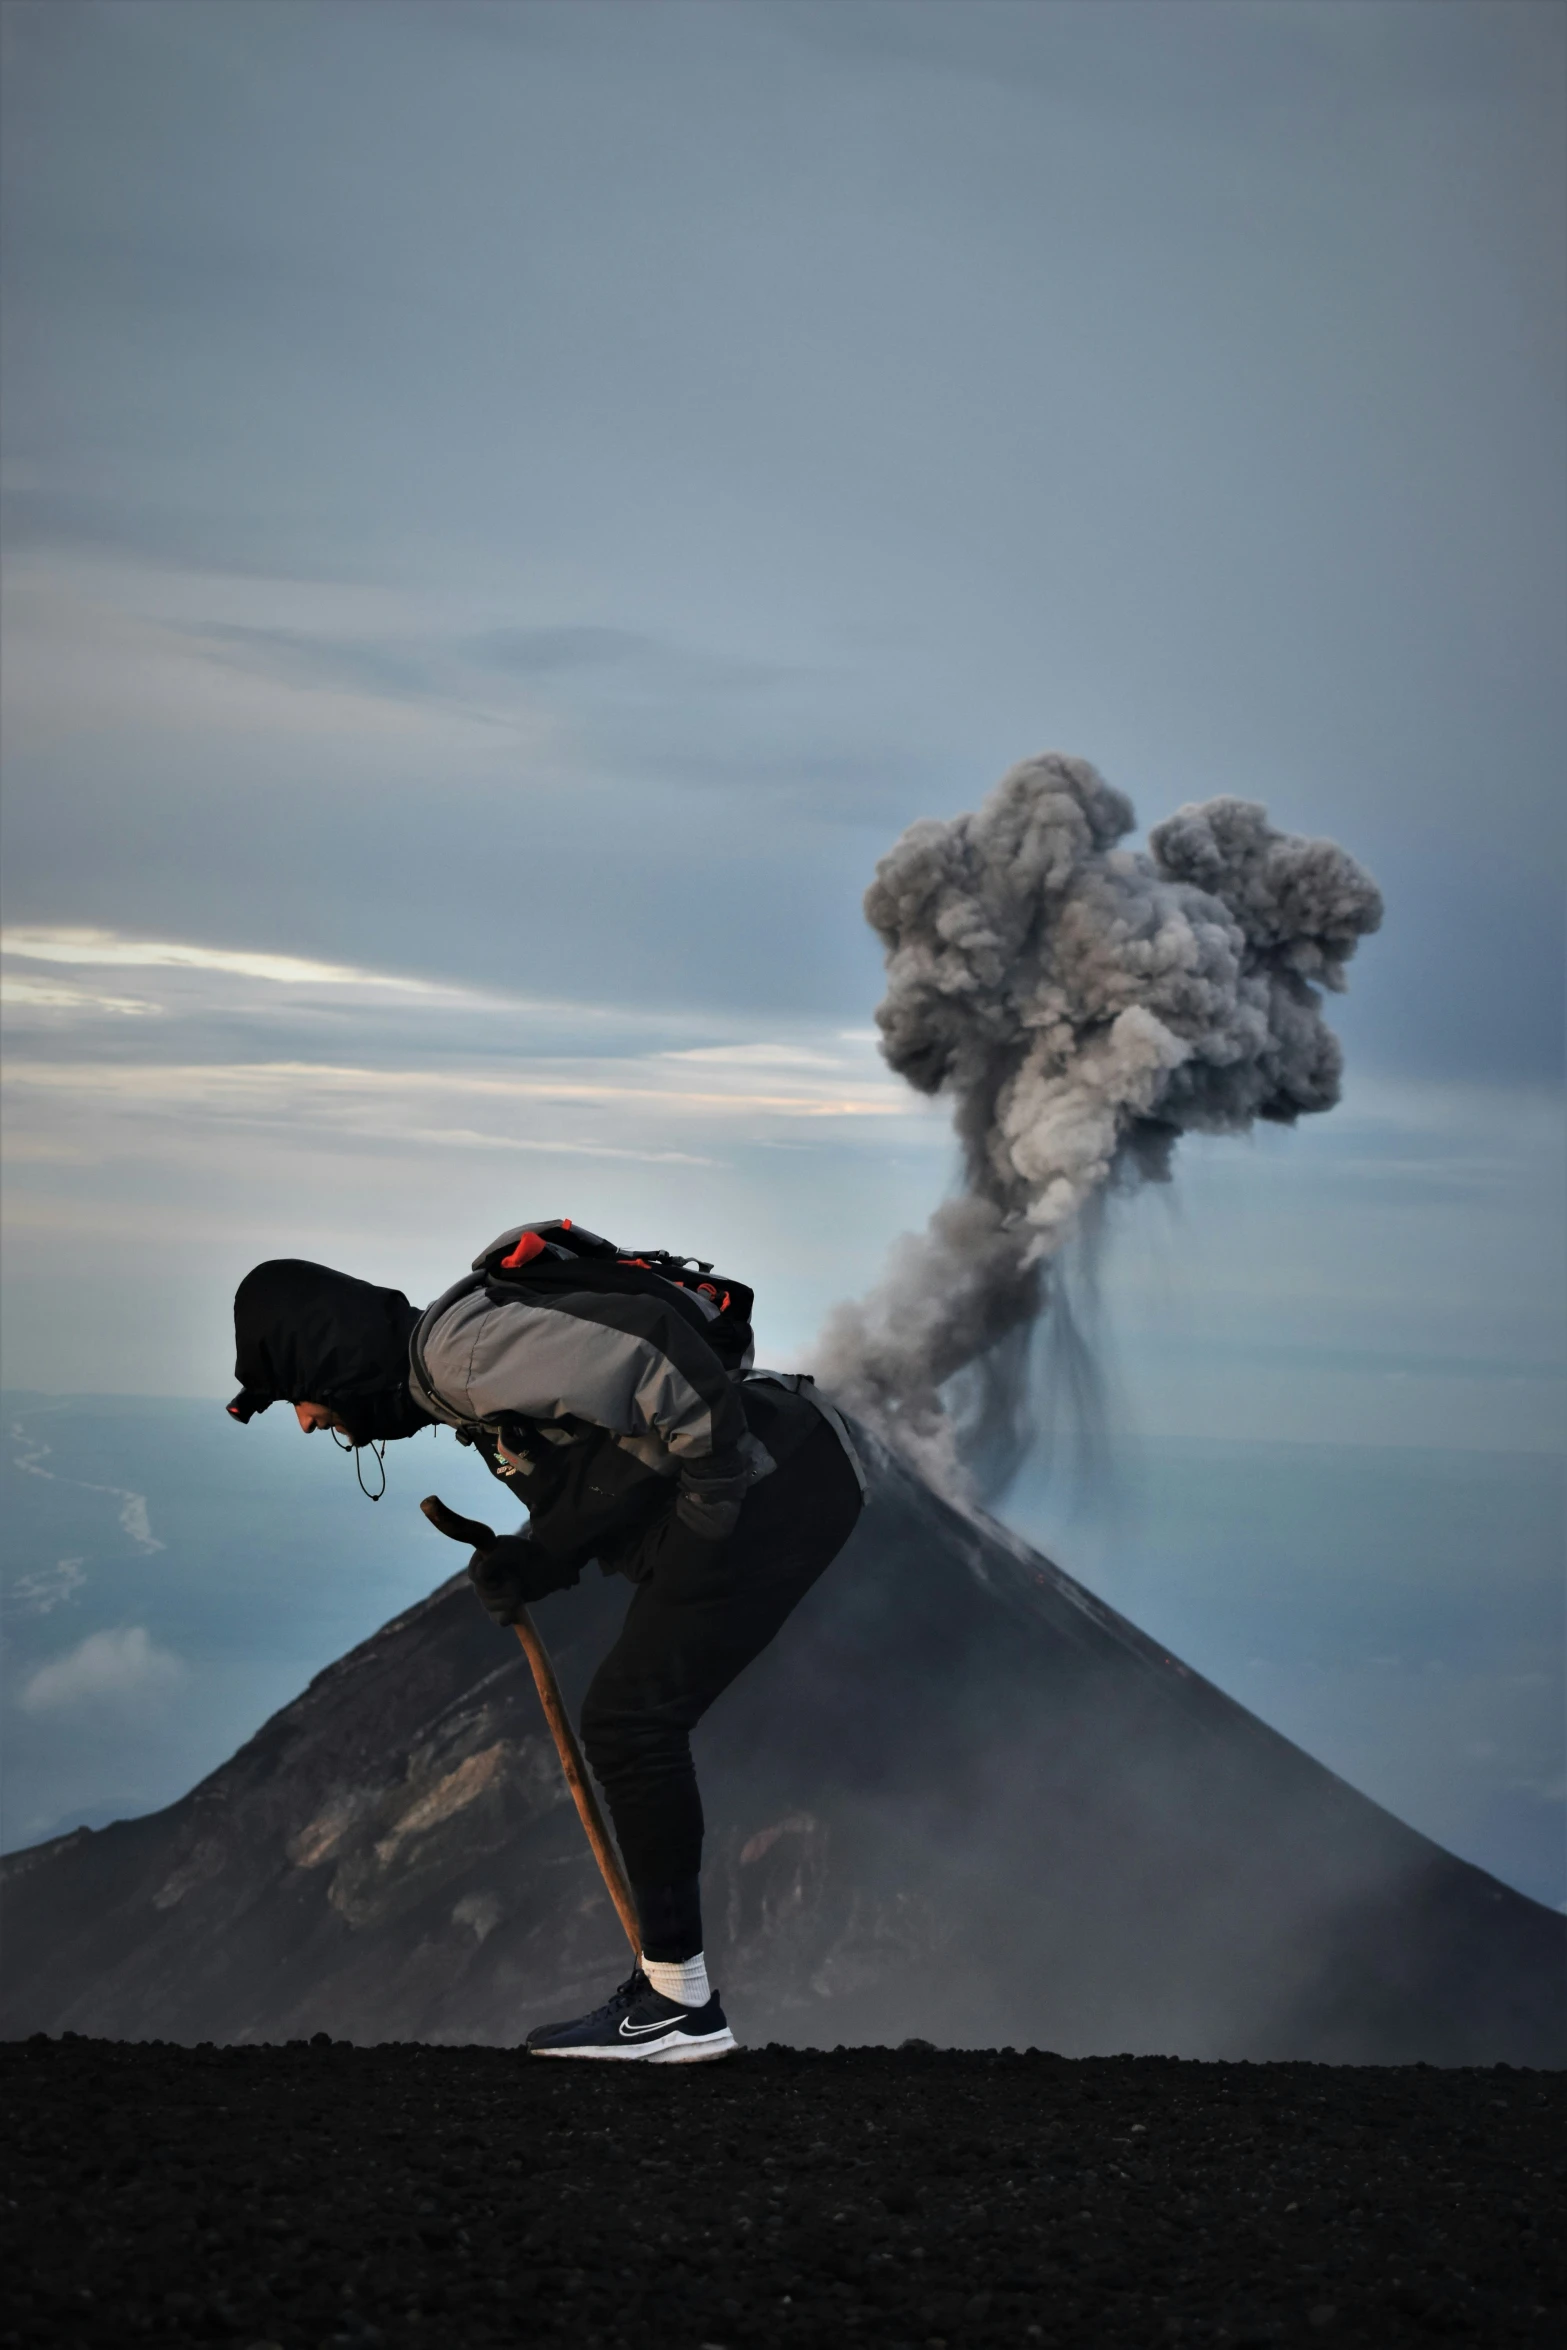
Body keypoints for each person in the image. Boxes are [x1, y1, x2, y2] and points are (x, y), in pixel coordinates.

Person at [228, 1223, 865, 2063]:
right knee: (633, 1718)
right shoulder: (451, 1377)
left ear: (325, 1358)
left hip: (775, 1489)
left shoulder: (458, 1354)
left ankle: (679, 2010)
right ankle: (672, 1997)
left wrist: (713, 1509)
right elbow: (618, 1467)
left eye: (293, 1395)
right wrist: (536, 1559)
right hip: (801, 1469)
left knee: (628, 1722)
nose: (308, 1422)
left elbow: (658, 1355)